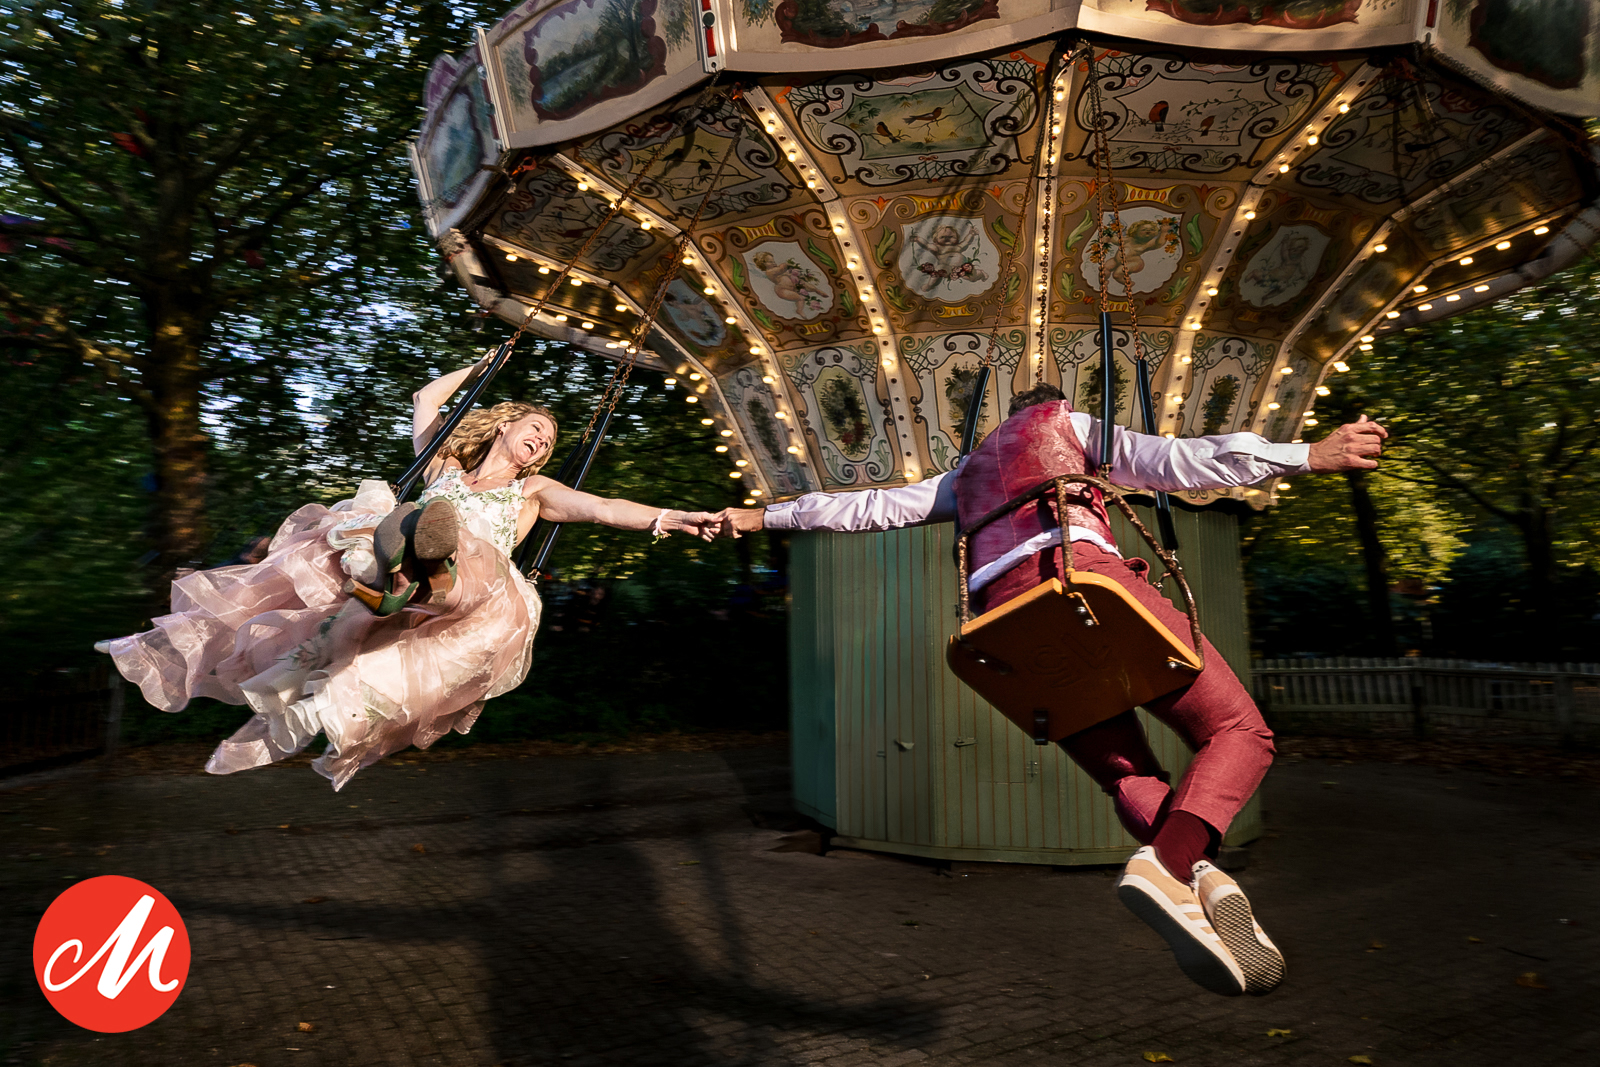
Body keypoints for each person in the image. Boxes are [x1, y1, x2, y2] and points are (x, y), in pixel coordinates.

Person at [714, 382, 1386, 998]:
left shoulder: (968, 473)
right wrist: (1305, 454)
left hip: (1006, 631)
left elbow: (867, 507)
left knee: (1128, 773)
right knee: (1240, 731)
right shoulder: (1066, 426)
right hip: (1084, 586)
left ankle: (1198, 877)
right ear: (1055, 406)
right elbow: (1179, 461)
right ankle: (1171, 860)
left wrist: (759, 518)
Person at [99, 353, 722, 789]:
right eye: (535, 427)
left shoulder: (535, 492)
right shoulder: (444, 463)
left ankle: (426, 564)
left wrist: (673, 516)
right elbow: (428, 399)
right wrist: (483, 367)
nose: (541, 440)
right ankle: (350, 636)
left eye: (549, 440)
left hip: (477, 589)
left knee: (443, 539)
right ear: (504, 424)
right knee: (351, 613)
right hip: (399, 571)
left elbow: (610, 509)